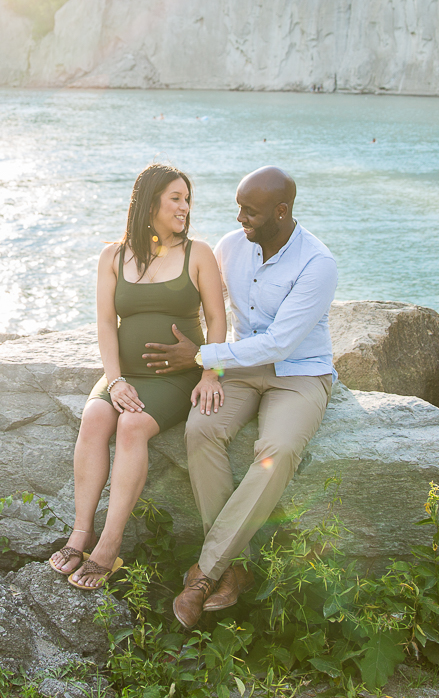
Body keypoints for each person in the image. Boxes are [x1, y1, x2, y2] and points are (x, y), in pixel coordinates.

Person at [140, 167, 338, 628]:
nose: (240, 216)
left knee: (278, 450)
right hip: (238, 368)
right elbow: (201, 302)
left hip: (300, 373)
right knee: (202, 428)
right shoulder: (231, 246)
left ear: (281, 212)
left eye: (249, 210)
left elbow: (281, 345)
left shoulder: (317, 263)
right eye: (239, 206)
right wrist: (207, 367)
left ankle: (205, 573)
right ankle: (239, 568)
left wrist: (203, 355)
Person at [48, 164, 227, 589]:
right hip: (124, 374)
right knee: (94, 419)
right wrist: (115, 381)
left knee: (130, 427)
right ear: (150, 202)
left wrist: (211, 374)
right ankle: (81, 532)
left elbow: (219, 321)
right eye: (176, 198)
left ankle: (109, 546)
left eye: (187, 199)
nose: (185, 207)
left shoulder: (198, 253)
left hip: (175, 378)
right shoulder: (112, 256)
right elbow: (106, 324)